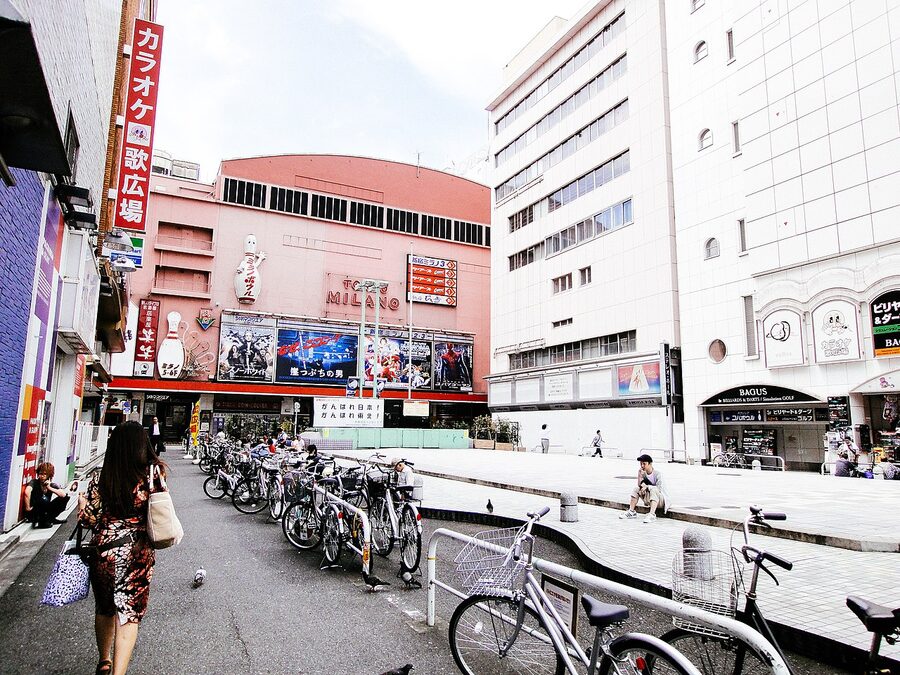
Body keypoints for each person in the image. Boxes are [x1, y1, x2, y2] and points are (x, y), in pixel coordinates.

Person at [78, 421, 165, 675]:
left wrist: (83, 503)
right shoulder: (151, 474)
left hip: (103, 550)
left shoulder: (103, 475)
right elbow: (160, 508)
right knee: (128, 613)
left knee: (105, 608)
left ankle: (103, 661)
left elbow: (88, 519)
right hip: (135, 552)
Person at [619, 454, 669, 523]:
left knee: (653, 489)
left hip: (661, 500)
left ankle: (652, 515)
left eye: (644, 464)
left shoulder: (658, 474)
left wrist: (647, 487)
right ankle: (631, 512)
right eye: (641, 464)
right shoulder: (644, 474)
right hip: (651, 498)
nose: (642, 466)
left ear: (650, 464)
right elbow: (640, 485)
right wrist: (640, 475)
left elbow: (659, 489)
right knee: (636, 489)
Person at [23, 462, 74, 528]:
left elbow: (63, 495)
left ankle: (50, 519)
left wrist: (49, 488)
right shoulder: (34, 482)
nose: (42, 476)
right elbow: (27, 492)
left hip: (45, 510)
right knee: (42, 501)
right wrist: (28, 508)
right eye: (41, 474)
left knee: (64, 498)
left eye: (45, 474)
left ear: (49, 475)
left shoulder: (51, 485)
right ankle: (45, 521)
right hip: (35, 511)